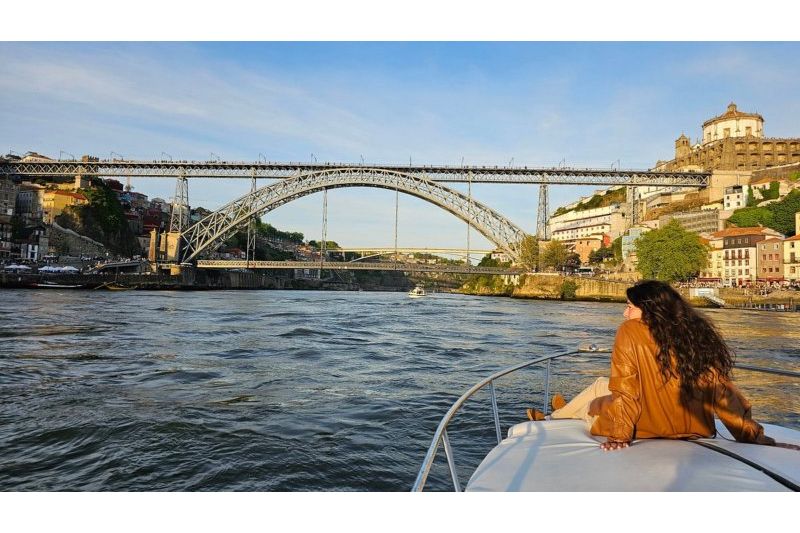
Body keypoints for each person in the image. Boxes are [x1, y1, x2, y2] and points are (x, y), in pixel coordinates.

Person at [528, 279, 796, 451]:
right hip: (694, 428)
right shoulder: (696, 334)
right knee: (600, 384)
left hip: (643, 426)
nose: (625, 312)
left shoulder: (630, 330)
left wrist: (619, 437)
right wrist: (756, 438)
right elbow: (724, 394)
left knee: (595, 405)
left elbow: (626, 390)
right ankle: (559, 413)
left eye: (629, 306)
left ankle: (557, 417)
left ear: (648, 310)